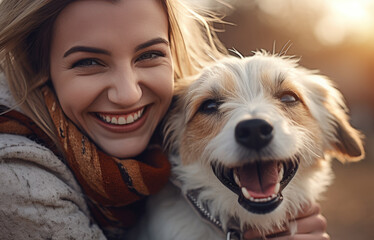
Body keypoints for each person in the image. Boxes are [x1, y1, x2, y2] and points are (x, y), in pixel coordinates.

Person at [0, 0, 329, 239]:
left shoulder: (149, 154)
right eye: (88, 61)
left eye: (149, 54)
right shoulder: (17, 178)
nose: (128, 94)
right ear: (40, 70)